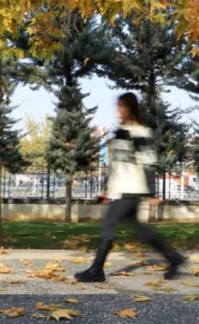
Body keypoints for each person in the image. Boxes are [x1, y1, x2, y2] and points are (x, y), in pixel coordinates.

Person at [75, 92, 186, 283]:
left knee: (109, 226)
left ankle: (97, 269)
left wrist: (152, 192)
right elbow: (115, 163)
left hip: (132, 188)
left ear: (131, 108)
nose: (119, 110)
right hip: (120, 187)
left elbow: (149, 163)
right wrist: (106, 188)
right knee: (140, 229)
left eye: (122, 107)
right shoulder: (120, 131)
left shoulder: (140, 133)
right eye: (118, 107)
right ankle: (173, 258)